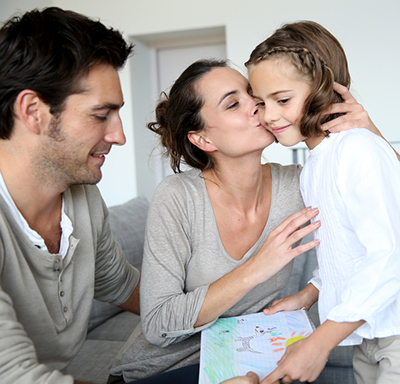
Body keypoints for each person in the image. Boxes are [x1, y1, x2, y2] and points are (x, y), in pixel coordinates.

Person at [109, 57, 383, 383]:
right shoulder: (177, 196)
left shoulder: (299, 184)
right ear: (203, 140)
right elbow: (157, 324)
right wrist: (256, 268)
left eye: (251, 94)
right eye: (233, 103)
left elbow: (388, 213)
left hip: (247, 362)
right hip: (163, 369)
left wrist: (371, 134)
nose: (255, 106)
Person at [246, 21, 400, 384]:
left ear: (323, 89)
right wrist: (309, 294)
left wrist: (319, 342)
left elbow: (391, 253)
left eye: (282, 100)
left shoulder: (357, 149)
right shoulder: (313, 166)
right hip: (367, 330)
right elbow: (345, 251)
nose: (269, 116)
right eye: (261, 103)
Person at [0, 7, 142, 384]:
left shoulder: (80, 199)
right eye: (101, 115)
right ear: (33, 111)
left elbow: (124, 285)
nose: (119, 135)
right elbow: (17, 378)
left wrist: (224, 320)